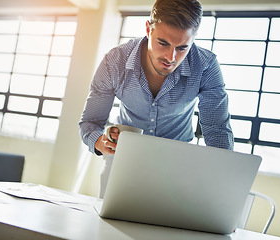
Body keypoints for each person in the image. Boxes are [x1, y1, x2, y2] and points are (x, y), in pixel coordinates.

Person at [79, 0, 234, 197]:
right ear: (148, 29)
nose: (171, 57)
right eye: (163, 43)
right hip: (123, 163)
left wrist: (226, 192)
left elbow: (217, 129)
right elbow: (90, 122)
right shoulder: (114, 61)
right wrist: (99, 141)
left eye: (182, 48)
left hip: (179, 169)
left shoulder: (206, 66)